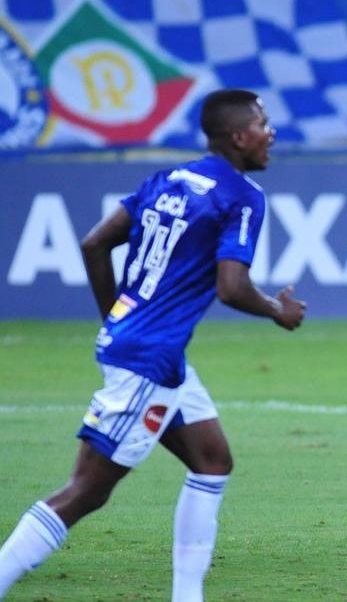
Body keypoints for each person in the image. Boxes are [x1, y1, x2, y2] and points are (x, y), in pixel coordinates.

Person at [0, 89, 306, 601]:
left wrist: (118, 319)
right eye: (262, 124)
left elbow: (94, 243)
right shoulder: (241, 195)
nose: (270, 133)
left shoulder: (168, 179)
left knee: (212, 461)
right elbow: (231, 287)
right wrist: (278, 310)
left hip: (153, 354)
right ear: (238, 137)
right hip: (149, 359)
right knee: (86, 490)